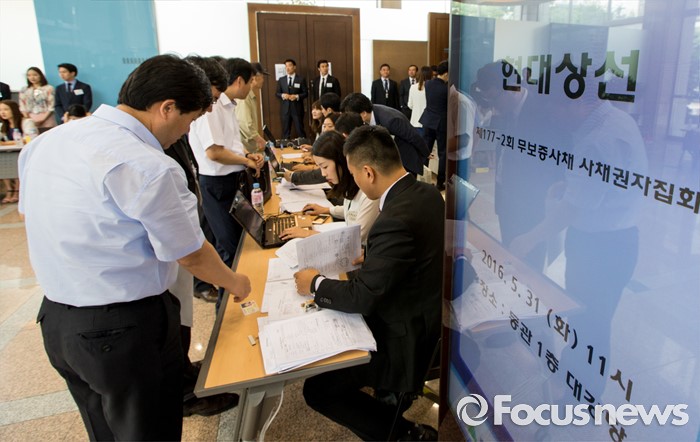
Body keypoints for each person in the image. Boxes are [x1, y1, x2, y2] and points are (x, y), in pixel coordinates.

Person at [18, 54, 252, 441]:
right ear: (167, 108)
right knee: (149, 429)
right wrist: (235, 282)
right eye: (190, 120)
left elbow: (32, 216)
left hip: (58, 321)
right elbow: (190, 252)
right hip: (123, 329)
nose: (186, 133)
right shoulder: (148, 165)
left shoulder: (46, 142)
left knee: (104, 429)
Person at [294, 125, 443, 441]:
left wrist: (315, 283)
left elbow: (363, 297)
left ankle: (404, 434)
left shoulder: (394, 218)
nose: (355, 182)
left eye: (354, 174)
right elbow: (412, 256)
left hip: (403, 338)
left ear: (368, 172)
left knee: (318, 389)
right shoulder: (427, 193)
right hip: (424, 315)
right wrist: (374, 256)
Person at [189, 57, 264, 310]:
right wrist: (245, 160)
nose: (251, 88)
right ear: (240, 80)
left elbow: (230, 144)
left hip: (232, 180)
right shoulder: (212, 107)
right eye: (250, 82)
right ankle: (226, 312)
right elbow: (214, 152)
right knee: (229, 250)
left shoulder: (229, 105)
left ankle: (240, 302)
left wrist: (247, 155)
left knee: (240, 245)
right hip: (217, 184)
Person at [280, 131, 379, 244]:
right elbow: (353, 211)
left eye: (325, 167)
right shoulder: (349, 185)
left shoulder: (368, 193)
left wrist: (308, 234)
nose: (323, 174)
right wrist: (327, 210)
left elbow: (351, 240)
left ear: (341, 161)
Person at [341, 92, 429, 176]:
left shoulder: (390, 120)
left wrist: (426, 153)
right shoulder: (370, 114)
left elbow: (413, 136)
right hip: (388, 158)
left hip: (405, 160)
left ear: (363, 113)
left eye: (352, 115)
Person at [420, 60, 449, 190]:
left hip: (428, 121)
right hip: (441, 123)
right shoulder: (446, 89)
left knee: (425, 151)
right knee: (443, 153)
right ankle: (440, 182)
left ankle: (421, 179)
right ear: (446, 73)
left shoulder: (428, 84)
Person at [0, 100, 37, 203]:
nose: (3, 112)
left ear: (14, 110)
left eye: (6, 109)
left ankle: (18, 190)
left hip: (24, 153)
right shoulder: (3, 125)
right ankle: (9, 189)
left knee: (15, 162)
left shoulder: (26, 122)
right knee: (2, 162)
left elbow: (31, 137)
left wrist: (7, 143)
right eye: (0, 110)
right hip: (8, 152)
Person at [236, 62, 269, 153]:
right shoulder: (245, 96)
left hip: (250, 147)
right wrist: (259, 139)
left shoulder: (250, 95)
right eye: (262, 77)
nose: (263, 80)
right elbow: (245, 123)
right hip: (246, 148)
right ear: (254, 78)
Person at [275, 58, 308, 138]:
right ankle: (285, 145)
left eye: (289, 66)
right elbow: (277, 93)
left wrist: (296, 96)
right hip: (285, 109)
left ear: (294, 67)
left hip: (297, 109)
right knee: (285, 131)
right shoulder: (281, 80)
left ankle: (303, 144)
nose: (288, 68)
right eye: (286, 66)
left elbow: (306, 93)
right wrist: (283, 95)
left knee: (300, 129)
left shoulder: (301, 79)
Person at [19, 67, 56, 132]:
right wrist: (28, 118)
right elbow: (22, 105)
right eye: (29, 75)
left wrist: (43, 119)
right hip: (30, 119)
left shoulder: (49, 88)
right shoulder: (24, 89)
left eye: (35, 75)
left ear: (40, 75)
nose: (32, 77)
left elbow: (51, 105)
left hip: (47, 118)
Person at [407, 66, 432, 135]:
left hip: (415, 121)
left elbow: (410, 105)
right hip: (428, 121)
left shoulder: (413, 87)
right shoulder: (432, 87)